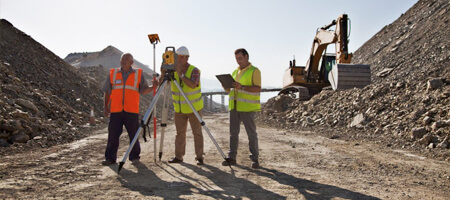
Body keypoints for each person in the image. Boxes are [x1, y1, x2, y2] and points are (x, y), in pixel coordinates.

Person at [101, 53, 158, 166]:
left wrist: (153, 87)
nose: (123, 60)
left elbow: (143, 90)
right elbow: (107, 91)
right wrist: (106, 106)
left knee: (134, 134)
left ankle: (134, 157)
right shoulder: (113, 73)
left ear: (132, 62)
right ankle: (110, 158)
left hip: (131, 110)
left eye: (126, 59)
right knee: (113, 135)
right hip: (116, 110)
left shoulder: (138, 74)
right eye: (122, 58)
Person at [160, 46, 205, 165]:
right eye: (176, 57)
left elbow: (192, 85)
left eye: (179, 57)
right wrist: (163, 73)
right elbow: (162, 85)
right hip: (179, 109)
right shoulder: (172, 71)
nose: (177, 60)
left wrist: (181, 74)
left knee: (197, 133)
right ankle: (178, 156)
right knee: (180, 133)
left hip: (194, 108)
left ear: (187, 58)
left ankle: (199, 157)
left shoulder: (194, 70)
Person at [222, 48, 262, 168]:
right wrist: (226, 86)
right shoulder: (235, 72)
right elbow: (232, 89)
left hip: (247, 108)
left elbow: (258, 88)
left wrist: (242, 87)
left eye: (240, 58)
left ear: (246, 57)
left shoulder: (255, 71)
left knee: (251, 134)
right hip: (234, 107)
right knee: (233, 134)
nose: (238, 61)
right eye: (236, 59)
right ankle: (232, 157)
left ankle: (254, 159)